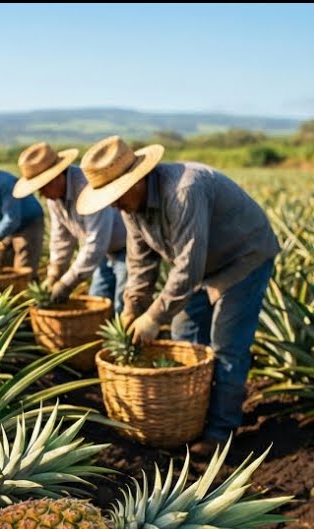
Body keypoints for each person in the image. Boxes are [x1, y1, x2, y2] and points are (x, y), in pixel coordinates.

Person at [75, 135, 281, 456]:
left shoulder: (184, 191)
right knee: (184, 333)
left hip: (243, 257)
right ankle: (191, 415)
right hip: (201, 264)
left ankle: (220, 431)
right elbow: (140, 263)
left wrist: (153, 317)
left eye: (115, 195)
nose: (113, 204)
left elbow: (188, 267)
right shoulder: (131, 207)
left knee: (227, 343)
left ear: (137, 180)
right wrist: (133, 307)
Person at [10, 142, 127, 309]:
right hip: (101, 253)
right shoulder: (54, 196)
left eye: (42, 187)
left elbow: (96, 240)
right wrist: (54, 273)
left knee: (123, 303)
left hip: (126, 249)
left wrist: (66, 283)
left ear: (56, 176)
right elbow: (61, 236)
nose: (41, 194)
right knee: (98, 297)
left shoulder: (87, 188)